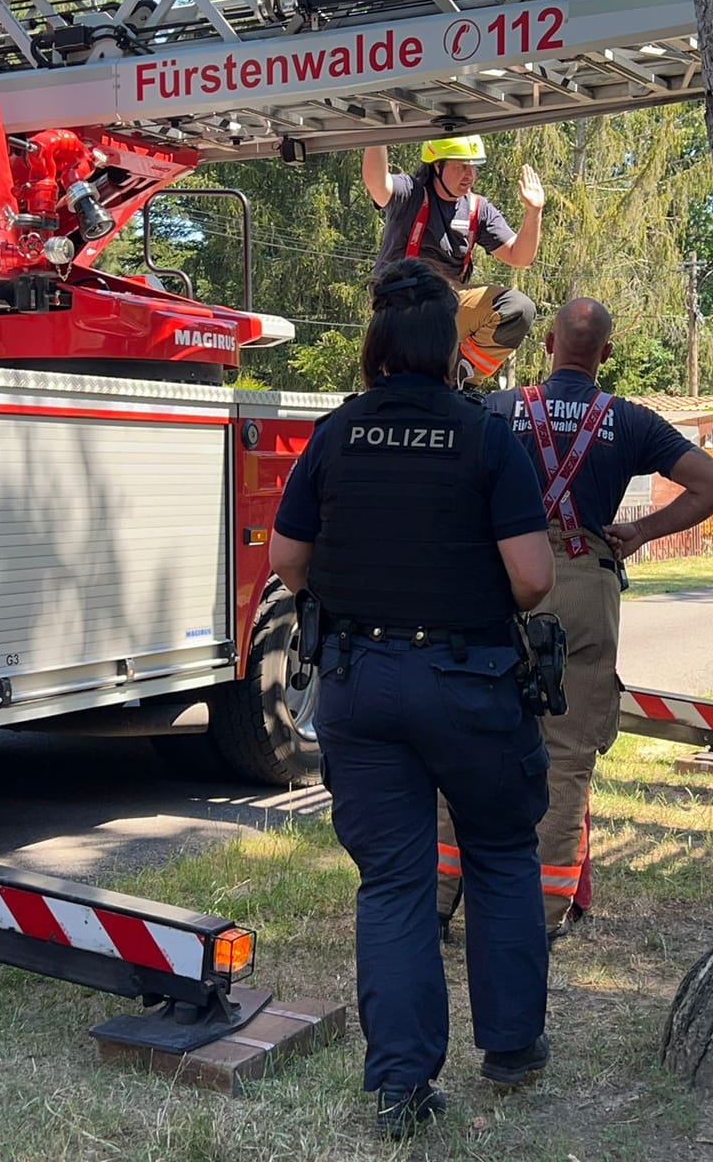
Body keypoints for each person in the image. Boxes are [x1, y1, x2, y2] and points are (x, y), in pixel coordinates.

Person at [269, 256, 558, 1138]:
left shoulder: (335, 434)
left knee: (393, 882)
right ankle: (509, 1049)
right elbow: (534, 581)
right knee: (501, 854)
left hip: (359, 685)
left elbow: (287, 562)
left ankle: (400, 1087)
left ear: (374, 340)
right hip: (469, 685)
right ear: (450, 342)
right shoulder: (484, 436)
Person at [435, 298, 713, 939]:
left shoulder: (497, 410)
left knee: (464, 742)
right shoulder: (629, 421)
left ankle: (433, 901)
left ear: (546, 344)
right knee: (567, 755)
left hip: (500, 580)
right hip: (583, 583)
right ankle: (539, 915)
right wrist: (640, 531)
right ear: (605, 353)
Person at [362, 136, 544, 384]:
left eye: (473, 166)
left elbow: (520, 257)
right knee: (398, 382)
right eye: (461, 166)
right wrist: (379, 130)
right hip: (401, 306)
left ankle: (458, 378)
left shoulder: (477, 209)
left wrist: (533, 213)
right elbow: (377, 183)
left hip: (447, 303)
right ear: (437, 166)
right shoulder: (410, 194)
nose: (470, 175)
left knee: (518, 308)